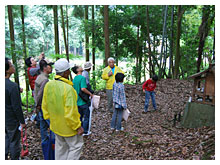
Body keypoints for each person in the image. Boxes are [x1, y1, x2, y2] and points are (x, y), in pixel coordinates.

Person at [42, 58, 84, 160]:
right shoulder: (68, 89)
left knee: (61, 149)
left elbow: (45, 105)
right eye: (68, 70)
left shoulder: (49, 85)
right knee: (76, 147)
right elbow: (71, 112)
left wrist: (49, 120)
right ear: (66, 72)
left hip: (56, 125)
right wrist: (77, 126)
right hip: (69, 128)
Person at [5, 58, 26, 160]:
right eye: (11, 65)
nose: (13, 67)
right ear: (6, 70)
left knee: (6, 138)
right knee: (14, 141)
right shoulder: (12, 86)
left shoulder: (12, 87)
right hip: (11, 119)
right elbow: (16, 107)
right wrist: (22, 122)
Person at [34, 60, 54, 159]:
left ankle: (45, 148)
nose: (51, 68)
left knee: (43, 128)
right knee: (52, 126)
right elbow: (40, 94)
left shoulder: (39, 77)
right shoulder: (45, 80)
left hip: (40, 107)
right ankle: (52, 147)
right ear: (45, 68)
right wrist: (37, 105)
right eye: (49, 67)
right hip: (43, 107)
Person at [72, 66, 94, 136]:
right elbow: (83, 88)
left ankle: (79, 130)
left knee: (80, 117)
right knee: (86, 117)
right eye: (79, 67)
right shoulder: (82, 78)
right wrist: (90, 93)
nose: (81, 67)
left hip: (77, 101)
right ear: (78, 70)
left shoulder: (74, 79)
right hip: (83, 101)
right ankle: (85, 131)